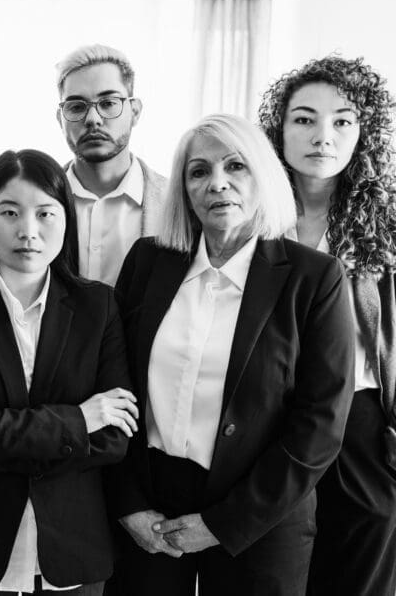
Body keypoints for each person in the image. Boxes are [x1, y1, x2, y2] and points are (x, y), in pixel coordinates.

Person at [111, 113, 356, 596]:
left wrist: (223, 523)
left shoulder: (315, 278)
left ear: (261, 176)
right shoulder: (148, 260)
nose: (217, 183)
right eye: (199, 171)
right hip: (152, 508)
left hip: (260, 516)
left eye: (235, 166)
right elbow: (112, 385)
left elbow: (320, 424)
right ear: (183, 188)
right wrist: (127, 503)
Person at [0, 148, 136, 595]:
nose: (27, 231)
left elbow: (116, 438)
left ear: (66, 220)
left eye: (45, 214)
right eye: (9, 211)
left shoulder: (98, 306)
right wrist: (79, 419)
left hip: (71, 551)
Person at [258, 55, 396, 596]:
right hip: (271, 410)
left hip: (359, 415)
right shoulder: (252, 215)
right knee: (278, 563)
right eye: (304, 119)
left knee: (369, 541)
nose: (324, 136)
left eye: (342, 120)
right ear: (279, 130)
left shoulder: (384, 222)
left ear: (364, 133)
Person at [56, 44, 167, 286]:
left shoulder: (176, 204)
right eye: (76, 106)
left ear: (135, 111)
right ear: (60, 119)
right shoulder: (38, 200)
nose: (93, 119)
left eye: (108, 103)